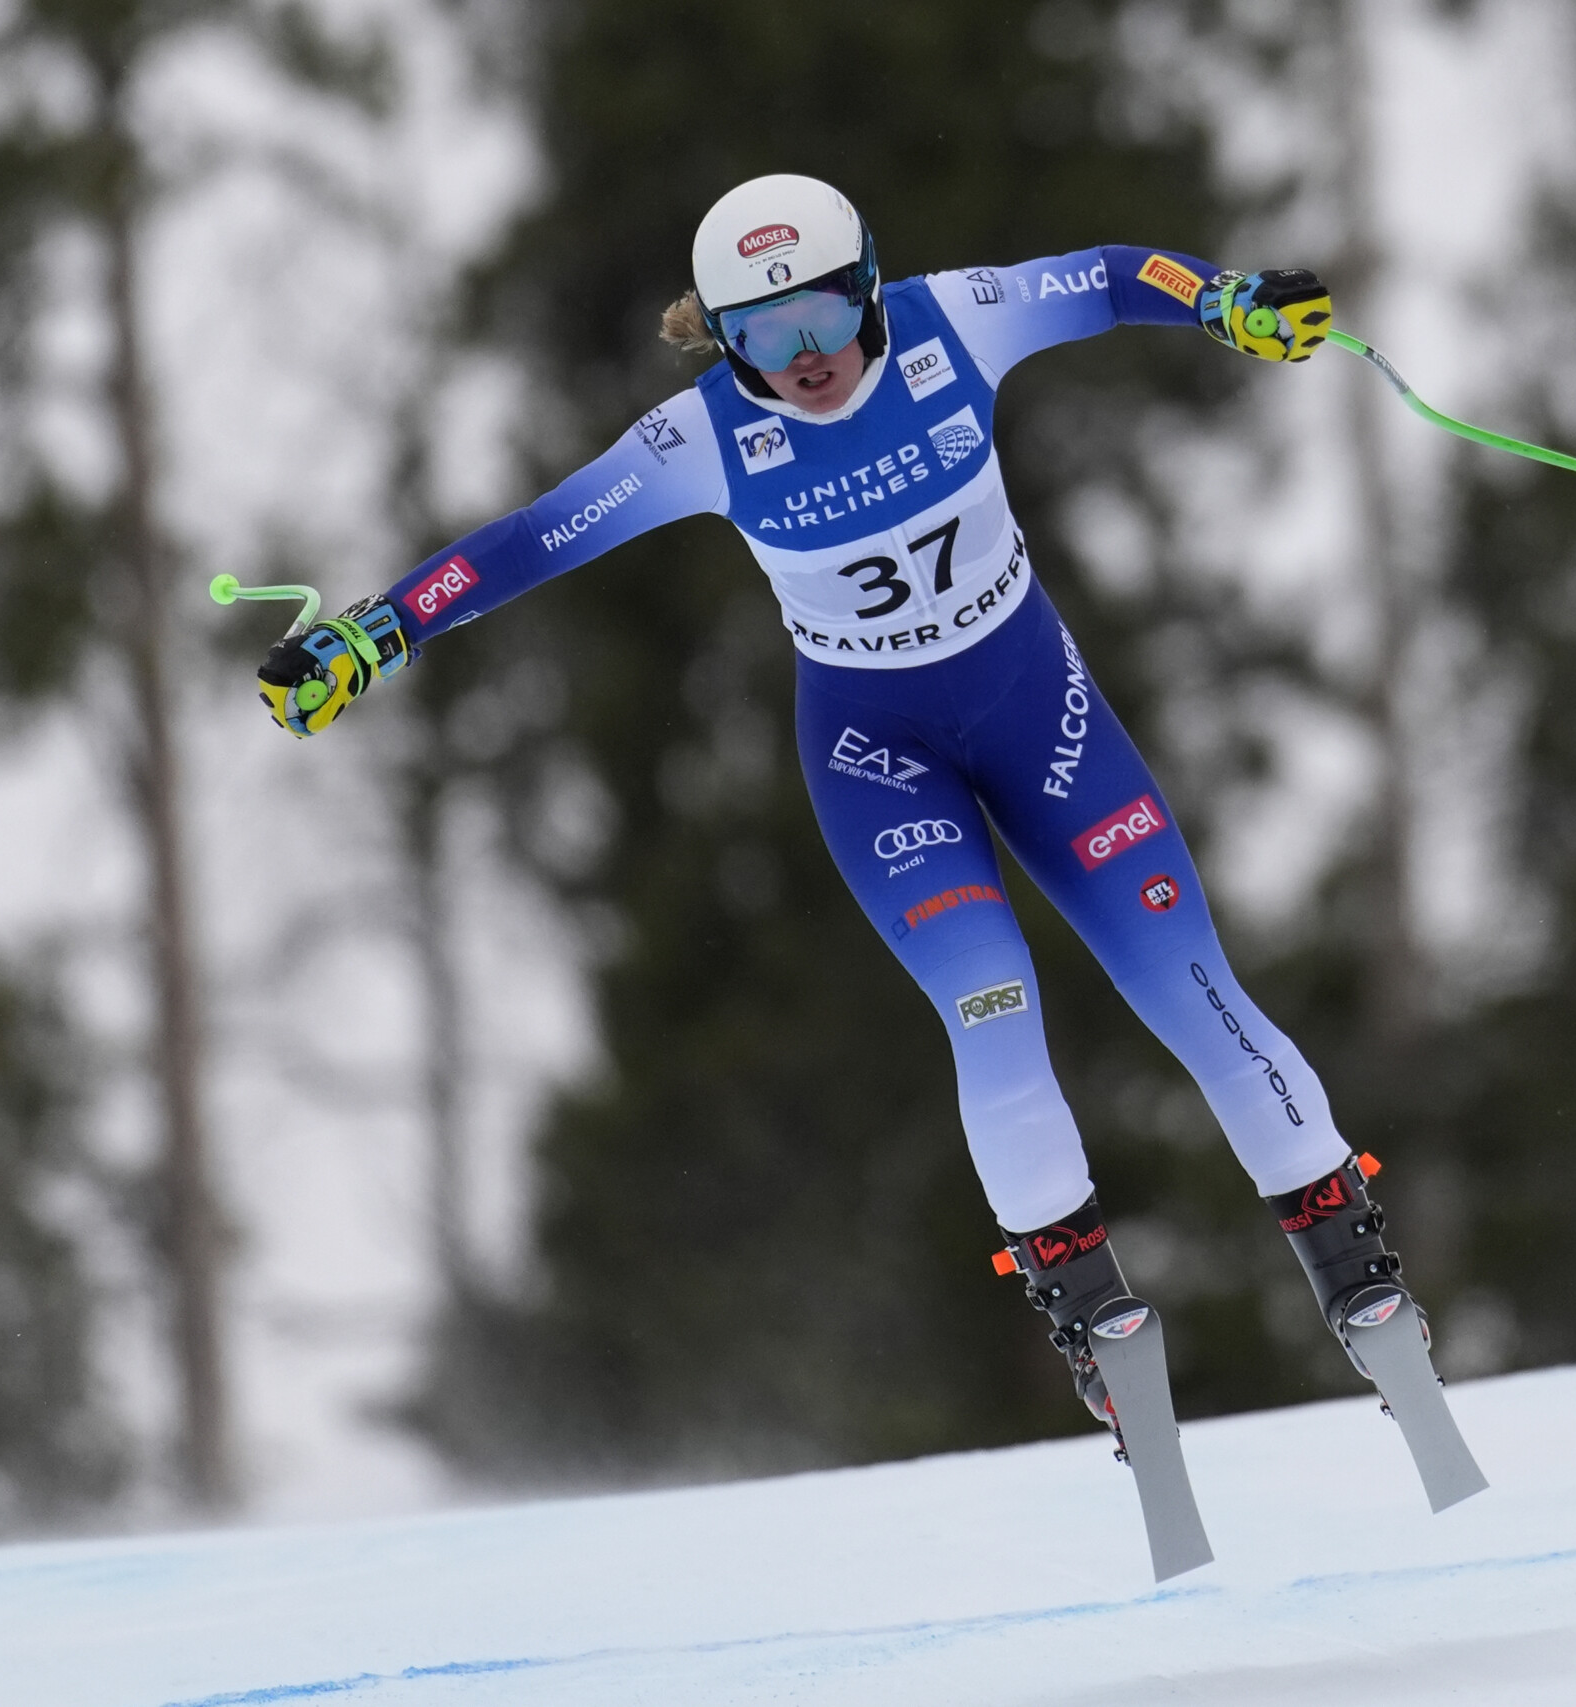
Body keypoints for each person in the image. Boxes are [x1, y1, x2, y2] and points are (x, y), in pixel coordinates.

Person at [253, 174, 1441, 1447]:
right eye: (761, 335)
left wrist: (1219, 300)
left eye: (821, 315)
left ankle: (1356, 1277)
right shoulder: (703, 438)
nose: (804, 357)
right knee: (992, 1009)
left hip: (1045, 723)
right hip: (882, 765)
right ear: (719, 336)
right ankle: (1089, 1308)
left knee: (1192, 986)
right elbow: (532, 541)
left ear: (870, 289)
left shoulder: (955, 323)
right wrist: (377, 633)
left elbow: (1103, 276)